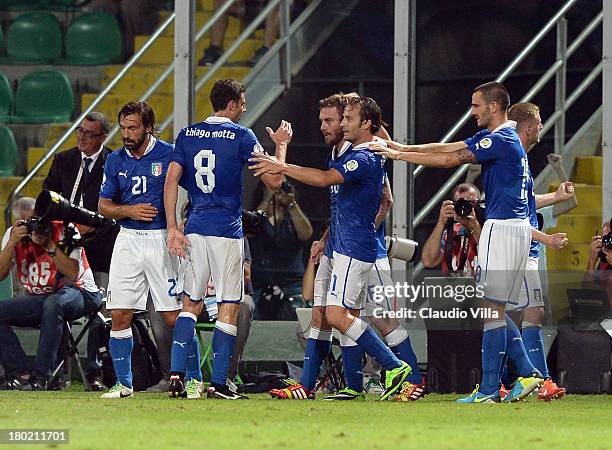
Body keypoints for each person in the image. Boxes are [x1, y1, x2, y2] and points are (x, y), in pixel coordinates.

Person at [370, 82, 568, 403]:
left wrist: (396, 155)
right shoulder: (503, 138)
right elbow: (448, 147)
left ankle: (496, 387)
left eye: (476, 106)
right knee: (494, 308)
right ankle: (526, 375)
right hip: (515, 229)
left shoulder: (502, 138)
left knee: (490, 309)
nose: (472, 111)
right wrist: (399, 148)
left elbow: (451, 160)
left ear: (493, 107)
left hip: (503, 229)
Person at [250, 96, 412, 401]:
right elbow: (338, 201)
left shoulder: (363, 155)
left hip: (357, 246)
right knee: (327, 314)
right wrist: (325, 240)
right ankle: (343, 385)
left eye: (336, 119)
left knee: (358, 317)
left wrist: (281, 162)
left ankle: (399, 369)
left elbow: (331, 181)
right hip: (338, 243)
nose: (325, 126)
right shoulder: (339, 152)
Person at [164, 78, 292, 400]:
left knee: (190, 303)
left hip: (194, 227)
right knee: (228, 304)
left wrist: (172, 228)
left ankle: (177, 372)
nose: (245, 108)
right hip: (226, 230)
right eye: (243, 103)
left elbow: (171, 181)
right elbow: (275, 180)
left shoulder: (187, 134)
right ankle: (220, 383)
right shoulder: (242, 136)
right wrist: (281, 145)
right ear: (232, 104)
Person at [98, 101, 182, 399]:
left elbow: (196, 190)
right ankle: (124, 384)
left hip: (161, 239)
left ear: (148, 126)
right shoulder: (115, 160)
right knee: (119, 313)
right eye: (123, 128)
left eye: (132, 127)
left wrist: (181, 224)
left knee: (173, 316)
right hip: (128, 240)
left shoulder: (170, 154)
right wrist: (129, 210)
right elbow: (103, 206)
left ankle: (194, 378)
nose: (126, 133)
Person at [505, 101, 575, 401]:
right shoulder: (511, 156)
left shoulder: (518, 157)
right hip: (517, 248)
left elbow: (526, 203)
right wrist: (546, 240)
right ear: (531, 127)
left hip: (524, 248)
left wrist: (556, 196)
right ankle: (536, 378)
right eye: (541, 122)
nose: (543, 127)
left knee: (511, 313)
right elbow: (512, 215)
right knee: (521, 312)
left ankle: (512, 379)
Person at [43, 112, 117, 391]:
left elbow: (117, 207)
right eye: (80, 131)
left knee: (100, 311)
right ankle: (57, 371)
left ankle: (94, 370)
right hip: (65, 245)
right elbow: (47, 196)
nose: (82, 137)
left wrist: (92, 227)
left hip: (101, 249)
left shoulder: (113, 162)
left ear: (103, 137)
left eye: (89, 133)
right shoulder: (64, 160)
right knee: (58, 302)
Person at [0, 198, 101, 390]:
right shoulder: (12, 235)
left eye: (37, 219)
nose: (34, 226)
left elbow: (72, 273)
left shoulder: (65, 229)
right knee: (49, 304)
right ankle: (20, 373)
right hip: (42, 298)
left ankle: (42, 377)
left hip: (81, 292)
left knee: (54, 304)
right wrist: (11, 243)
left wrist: (50, 245)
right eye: (27, 223)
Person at [250, 179, 313, 319]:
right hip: (261, 285)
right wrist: (267, 198)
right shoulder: (260, 213)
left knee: (294, 330)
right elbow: (251, 227)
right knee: (258, 331)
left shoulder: (293, 215)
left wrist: (291, 204)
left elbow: (306, 234)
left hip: (292, 284)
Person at [421, 183, 481, 277]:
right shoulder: (450, 234)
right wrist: (441, 222)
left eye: (472, 203)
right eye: (460, 204)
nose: (466, 208)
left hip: (481, 290)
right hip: (453, 289)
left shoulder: (488, 231)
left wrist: (474, 228)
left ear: (479, 205)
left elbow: (495, 258)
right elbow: (428, 261)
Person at [199, 0, 280, 67]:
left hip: (282, 9)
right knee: (220, 1)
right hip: (251, 6)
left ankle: (267, 48)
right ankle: (215, 49)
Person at [583, 219, 612, 304]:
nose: (607, 242)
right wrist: (592, 260)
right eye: (604, 238)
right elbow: (587, 295)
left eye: (609, 237)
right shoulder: (604, 261)